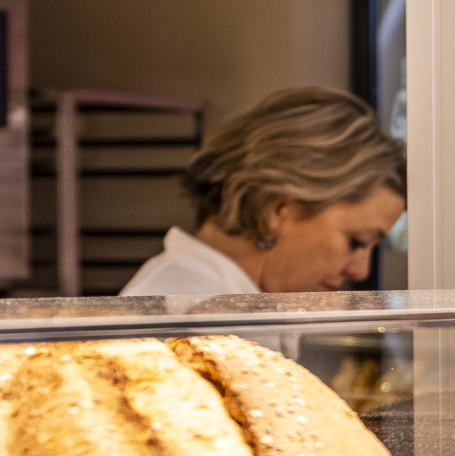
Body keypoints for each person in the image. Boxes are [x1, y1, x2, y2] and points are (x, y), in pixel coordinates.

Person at [121, 87, 404, 298]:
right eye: (357, 241)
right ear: (277, 208)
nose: (360, 271)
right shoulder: (181, 319)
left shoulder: (243, 302)